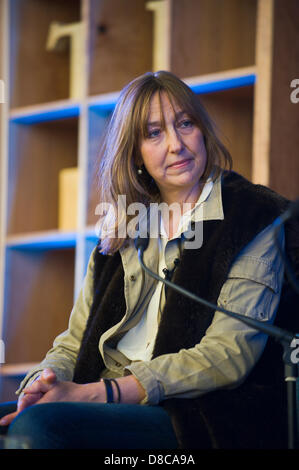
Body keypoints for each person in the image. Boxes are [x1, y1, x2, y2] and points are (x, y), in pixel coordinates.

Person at [0, 71, 298, 449]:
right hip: (105, 393)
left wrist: (105, 393)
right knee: (19, 420)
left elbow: (229, 355)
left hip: (193, 413)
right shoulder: (124, 224)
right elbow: (74, 342)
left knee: (40, 430)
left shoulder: (253, 215)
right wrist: (42, 383)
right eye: (154, 133)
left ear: (202, 131)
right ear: (135, 152)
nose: (176, 144)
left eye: (185, 123)